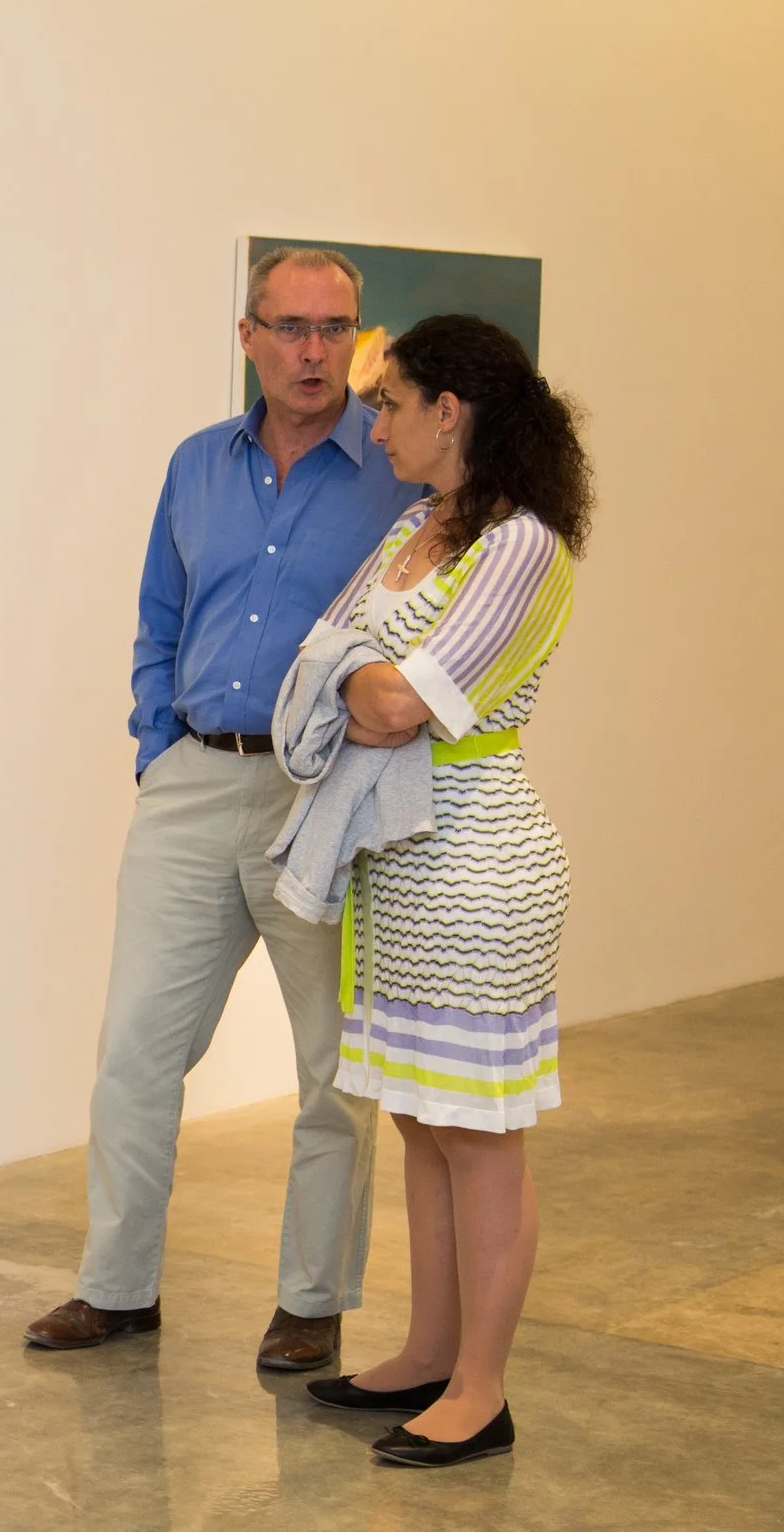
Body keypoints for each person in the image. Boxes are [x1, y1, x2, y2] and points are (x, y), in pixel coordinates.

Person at [26, 249, 412, 1369]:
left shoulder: (396, 475)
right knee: (136, 1048)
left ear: (356, 338)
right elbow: (157, 610)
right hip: (193, 780)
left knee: (332, 1067)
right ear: (247, 336)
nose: (311, 350)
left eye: (333, 329)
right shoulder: (196, 464)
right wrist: (156, 744)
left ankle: (310, 1300)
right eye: (288, 327)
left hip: (324, 794)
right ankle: (115, 1286)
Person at [296, 313, 590, 1469]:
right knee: (422, 1119)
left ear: (448, 411)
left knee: (481, 1135)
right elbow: (321, 657)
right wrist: (347, 676)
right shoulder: (422, 526)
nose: (376, 426)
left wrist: (349, 678)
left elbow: (393, 702)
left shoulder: (522, 545)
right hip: (401, 866)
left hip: (479, 868)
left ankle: (482, 1385)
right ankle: (425, 1349)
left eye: (390, 403)